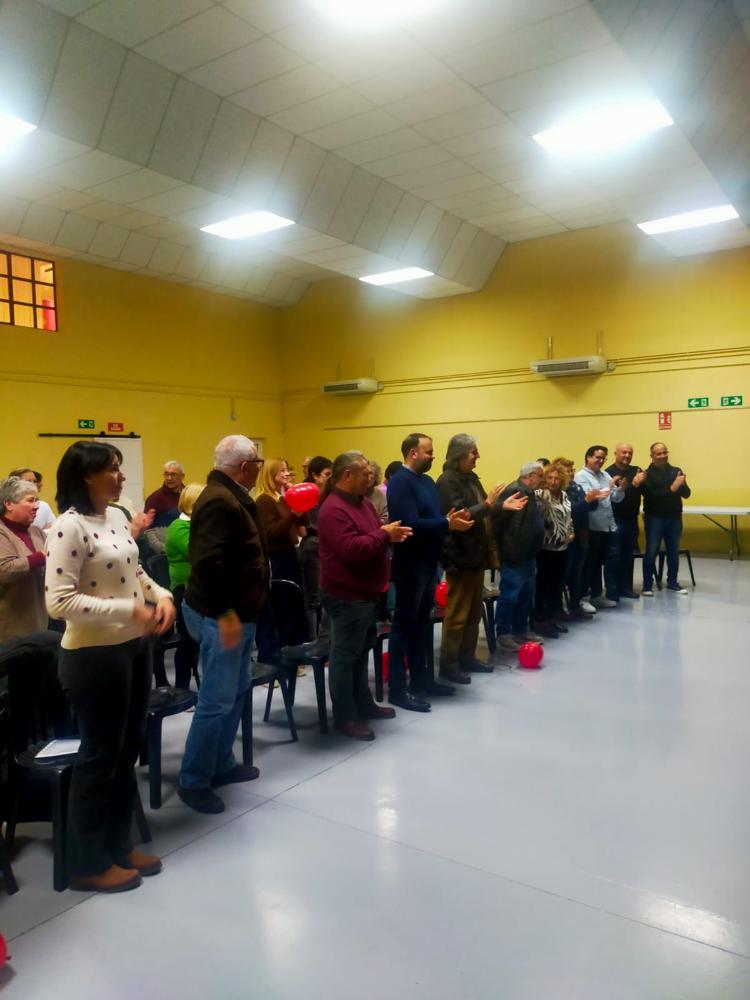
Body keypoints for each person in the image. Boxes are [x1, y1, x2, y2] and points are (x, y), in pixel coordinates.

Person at [45, 441, 175, 893]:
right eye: (112, 469)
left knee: (126, 751)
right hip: (92, 657)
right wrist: (128, 611)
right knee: (99, 758)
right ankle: (86, 863)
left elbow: (135, 573)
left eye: (120, 467)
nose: (121, 477)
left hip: (132, 649)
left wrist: (162, 596)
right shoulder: (68, 526)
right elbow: (59, 601)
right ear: (86, 476)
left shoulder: (117, 516)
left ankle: (117, 847)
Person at [178, 435, 269, 814]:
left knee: (235, 691)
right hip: (222, 615)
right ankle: (194, 779)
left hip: (236, 614)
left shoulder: (228, 493)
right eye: (258, 463)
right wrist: (227, 614)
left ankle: (221, 763)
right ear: (245, 466)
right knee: (216, 700)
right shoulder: (219, 499)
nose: (260, 469)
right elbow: (208, 564)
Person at [318, 451, 412, 739]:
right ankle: (345, 717)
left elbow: (372, 534)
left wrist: (384, 533)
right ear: (348, 476)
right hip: (347, 596)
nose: (370, 478)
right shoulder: (333, 509)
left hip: (366, 594)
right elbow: (351, 548)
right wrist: (385, 535)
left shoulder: (363, 503)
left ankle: (363, 704)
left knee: (360, 653)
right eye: (365, 473)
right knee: (345, 657)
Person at [386, 433, 473, 712]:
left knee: (423, 624)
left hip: (429, 562)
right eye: (429, 451)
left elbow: (435, 517)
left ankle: (423, 680)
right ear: (413, 453)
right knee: (404, 626)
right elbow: (410, 524)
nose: (434, 456)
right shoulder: (400, 482)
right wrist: (447, 524)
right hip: (410, 565)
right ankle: (399, 689)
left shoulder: (425, 481)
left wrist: (447, 521)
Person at [436, 434, 519, 682]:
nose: (478, 456)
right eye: (473, 452)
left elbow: (485, 507)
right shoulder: (447, 481)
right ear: (458, 455)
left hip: (476, 555)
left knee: (474, 613)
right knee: (457, 615)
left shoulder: (470, 478)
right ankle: (449, 665)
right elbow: (462, 515)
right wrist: (490, 502)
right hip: (459, 556)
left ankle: (467, 657)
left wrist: (500, 505)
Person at [491, 462, 542, 652]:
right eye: (540, 476)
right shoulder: (514, 490)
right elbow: (498, 521)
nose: (541, 480)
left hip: (528, 554)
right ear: (530, 476)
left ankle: (521, 630)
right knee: (510, 595)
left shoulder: (528, 492)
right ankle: (504, 633)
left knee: (526, 595)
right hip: (515, 553)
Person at [165, 482, 204, 689]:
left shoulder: (198, 525)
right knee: (188, 642)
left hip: (201, 589)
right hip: (184, 591)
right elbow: (198, 553)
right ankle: (182, 688)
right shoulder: (178, 527)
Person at [574, 446, 624, 609]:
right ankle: (583, 598)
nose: (600, 461)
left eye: (603, 458)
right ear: (588, 457)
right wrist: (609, 487)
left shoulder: (604, 475)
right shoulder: (580, 477)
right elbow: (593, 499)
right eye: (597, 457)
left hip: (607, 526)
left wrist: (620, 489)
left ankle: (596, 595)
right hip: (591, 526)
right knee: (588, 564)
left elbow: (615, 499)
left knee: (598, 563)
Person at [553, 456, 601, 619]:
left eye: (572, 470)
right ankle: (558, 609)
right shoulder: (558, 491)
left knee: (577, 574)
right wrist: (586, 501)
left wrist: (593, 499)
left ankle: (575, 606)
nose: (571, 473)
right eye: (567, 470)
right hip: (567, 538)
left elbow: (587, 507)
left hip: (581, 536)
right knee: (562, 575)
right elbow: (569, 510)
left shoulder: (576, 487)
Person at [0, 476, 47, 641]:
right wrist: (42, 556)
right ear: (9, 504)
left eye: (37, 501)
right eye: (30, 500)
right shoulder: (2, 532)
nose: (36, 507)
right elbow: (5, 570)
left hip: (39, 622)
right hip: (10, 629)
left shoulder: (37, 532)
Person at [641, 442, 691, 595]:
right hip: (654, 518)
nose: (662, 456)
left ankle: (672, 582)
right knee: (651, 551)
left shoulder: (676, 471)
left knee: (673, 551)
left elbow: (687, 494)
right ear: (652, 456)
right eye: (658, 454)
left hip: (674, 518)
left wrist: (680, 485)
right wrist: (672, 488)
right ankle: (648, 585)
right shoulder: (646, 474)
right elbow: (652, 496)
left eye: (664, 452)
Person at [534, 464, 574, 637]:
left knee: (557, 585)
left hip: (563, 547)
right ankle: (540, 621)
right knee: (543, 585)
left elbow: (568, 516)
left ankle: (552, 618)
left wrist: (571, 532)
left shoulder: (564, 496)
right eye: (549, 478)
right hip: (546, 548)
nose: (553, 481)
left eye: (556, 478)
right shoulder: (540, 495)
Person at [254, 457, 307, 587]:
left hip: (290, 553)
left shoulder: (283, 498)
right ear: (271, 474)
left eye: (287, 470)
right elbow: (270, 533)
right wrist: (293, 515)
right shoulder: (264, 500)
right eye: (282, 470)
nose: (287, 474)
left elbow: (303, 522)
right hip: (277, 558)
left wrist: (297, 496)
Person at [298, 455, 333, 638]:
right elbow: (301, 523)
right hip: (313, 545)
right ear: (315, 475)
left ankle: (326, 640)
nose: (330, 477)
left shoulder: (330, 495)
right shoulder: (307, 494)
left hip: (328, 546)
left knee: (328, 595)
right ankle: (312, 641)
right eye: (327, 474)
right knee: (313, 598)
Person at [605, 443, 646, 600]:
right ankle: (612, 590)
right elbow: (614, 498)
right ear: (616, 453)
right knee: (614, 555)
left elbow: (644, 490)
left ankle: (626, 587)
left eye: (630, 453)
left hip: (631, 519)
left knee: (628, 555)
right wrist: (633, 485)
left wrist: (641, 482)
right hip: (614, 519)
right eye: (624, 452)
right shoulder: (608, 473)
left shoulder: (636, 470)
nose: (627, 456)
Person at [144, 461, 185, 528]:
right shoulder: (154, 498)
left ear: (182, 476)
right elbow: (147, 528)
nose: (169, 478)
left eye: (173, 474)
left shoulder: (188, 495)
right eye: (166, 474)